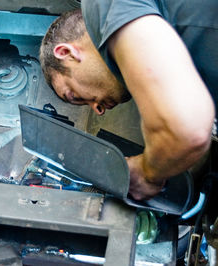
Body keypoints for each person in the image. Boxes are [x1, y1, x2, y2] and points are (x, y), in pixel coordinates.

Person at [39, 2, 217, 201]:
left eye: (74, 95)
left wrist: (146, 173)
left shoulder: (105, 6)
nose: (97, 110)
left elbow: (187, 131)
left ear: (66, 53)